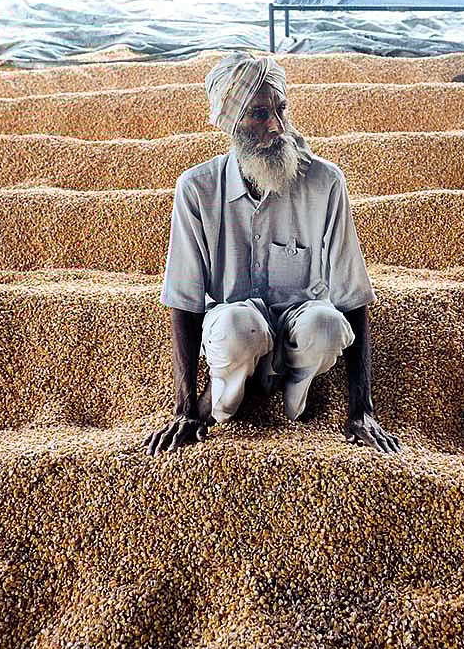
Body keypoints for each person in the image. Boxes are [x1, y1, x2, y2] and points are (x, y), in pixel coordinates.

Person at [144, 51, 401, 456]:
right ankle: (228, 388)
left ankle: (296, 384)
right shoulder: (197, 189)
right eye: (260, 115)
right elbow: (184, 301)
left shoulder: (325, 181)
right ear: (232, 123)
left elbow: (352, 298)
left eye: (280, 109)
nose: (278, 127)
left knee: (327, 324)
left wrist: (361, 409)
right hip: (235, 327)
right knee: (235, 327)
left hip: (301, 325)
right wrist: (184, 408)